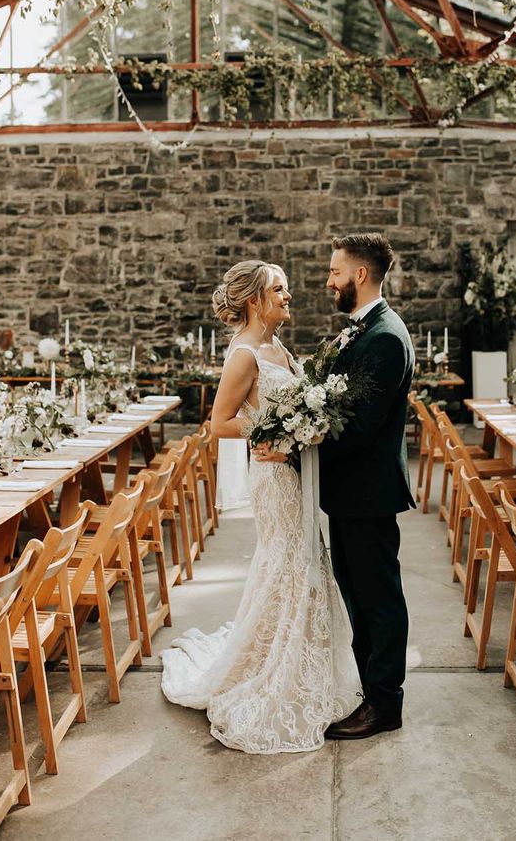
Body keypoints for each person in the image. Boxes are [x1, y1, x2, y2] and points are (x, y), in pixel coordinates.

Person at [161, 259, 359, 753]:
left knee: (304, 560)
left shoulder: (278, 348)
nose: (288, 296)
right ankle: (276, 668)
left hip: (294, 470)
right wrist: (279, 434)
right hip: (273, 475)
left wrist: (303, 428)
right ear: (255, 300)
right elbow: (219, 423)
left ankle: (297, 656)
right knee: (288, 562)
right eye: (280, 289)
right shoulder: (244, 355)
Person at [319, 233, 415, 740]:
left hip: (368, 494)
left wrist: (297, 446)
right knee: (358, 593)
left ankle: (385, 704)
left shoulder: (384, 337)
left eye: (335, 271)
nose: (329, 280)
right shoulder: (364, 329)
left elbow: (357, 427)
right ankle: (370, 690)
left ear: (360, 274)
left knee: (378, 599)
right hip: (351, 494)